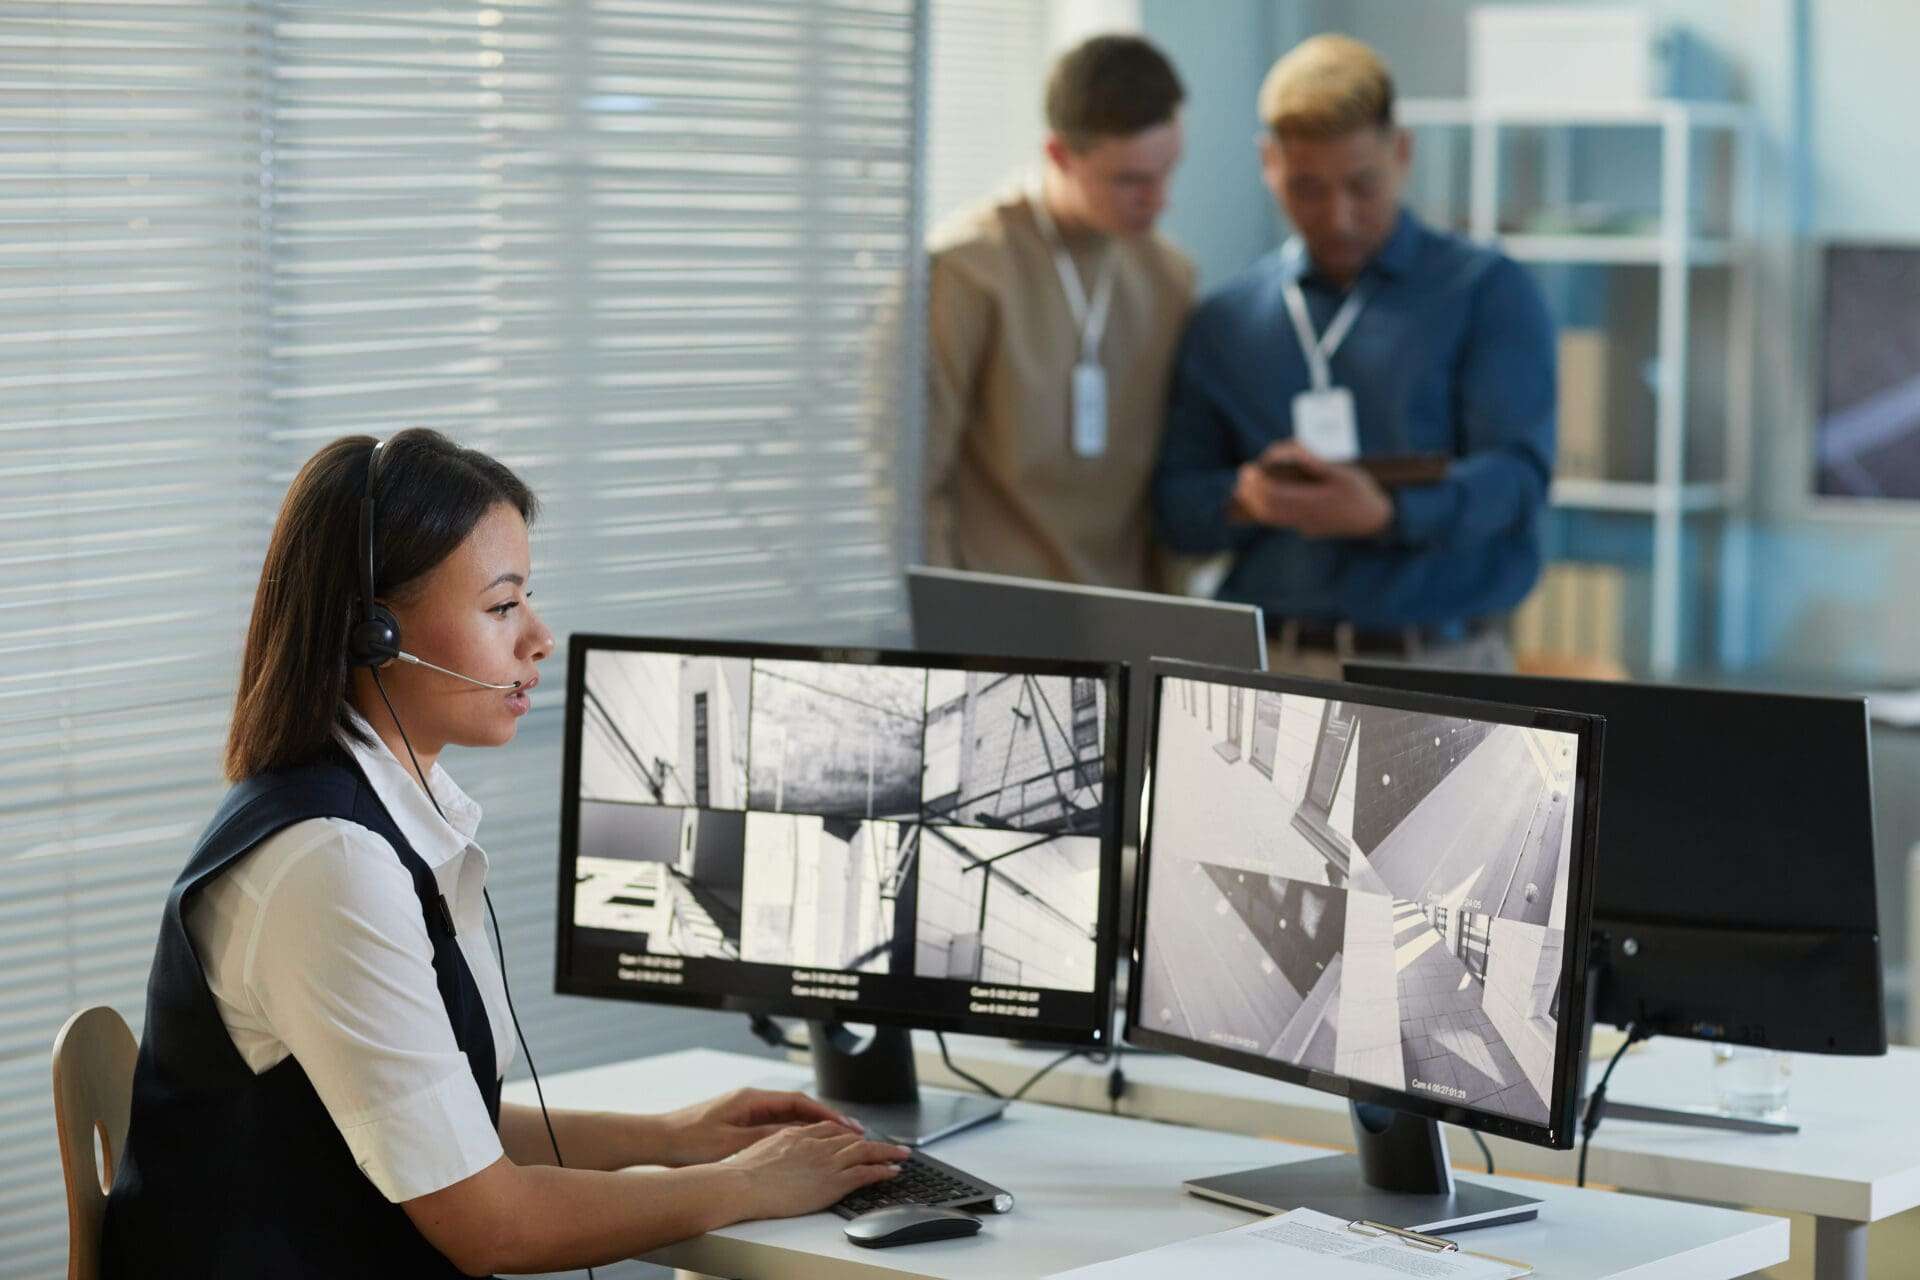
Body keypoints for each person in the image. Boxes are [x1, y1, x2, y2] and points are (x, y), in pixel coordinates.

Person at [101, 429, 909, 1277]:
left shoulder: (372, 811)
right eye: (501, 607)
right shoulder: (330, 865)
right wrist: (747, 1183)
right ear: (373, 632)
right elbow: (494, 1226)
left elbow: (436, 1127)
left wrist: (678, 1139)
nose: (539, 639)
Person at [1153, 34, 1555, 677]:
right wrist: (1246, 498)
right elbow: (1177, 510)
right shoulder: (1225, 322)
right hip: (1269, 668)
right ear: (1268, 163)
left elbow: (1519, 481)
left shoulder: (1487, 292)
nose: (1338, 216)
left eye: (1361, 186)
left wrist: (1387, 513)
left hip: (1442, 665)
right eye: (1308, 189)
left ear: (1402, 153)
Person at [924, 32, 1195, 590]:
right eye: (1130, 181)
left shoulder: (1170, 278)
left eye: (1169, 170)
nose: (1160, 199)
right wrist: (945, 628)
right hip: (995, 619)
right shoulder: (965, 270)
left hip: (1129, 619)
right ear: (1058, 155)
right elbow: (910, 481)